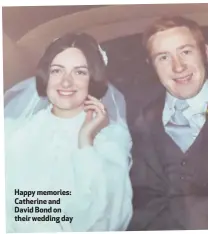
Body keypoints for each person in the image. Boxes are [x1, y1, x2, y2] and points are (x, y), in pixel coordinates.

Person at [128, 16, 208, 230]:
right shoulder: (134, 120)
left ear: (205, 53)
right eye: (164, 57)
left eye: (185, 52)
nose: (178, 67)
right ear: (151, 66)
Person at [5, 33, 133, 232]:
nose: (66, 82)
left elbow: (110, 219)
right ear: (46, 76)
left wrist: (85, 143)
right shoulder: (12, 132)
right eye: (57, 71)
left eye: (79, 72)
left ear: (93, 78)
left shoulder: (111, 139)